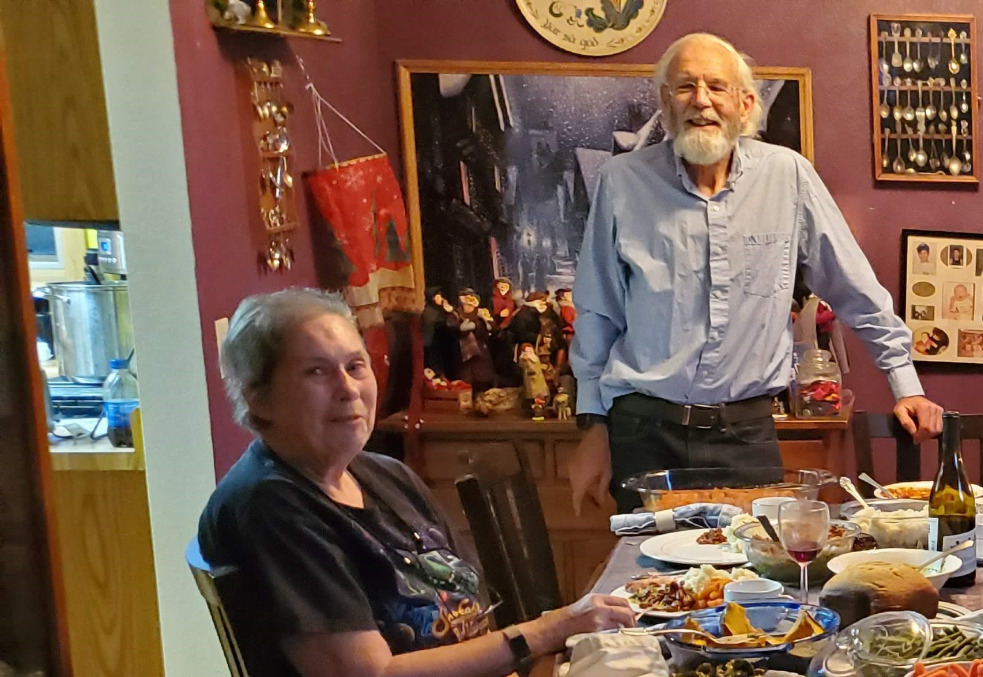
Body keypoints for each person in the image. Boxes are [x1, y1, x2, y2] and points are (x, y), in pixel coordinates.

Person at [569, 33, 942, 513]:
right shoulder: (621, 182)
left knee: (754, 561)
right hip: (642, 432)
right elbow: (598, 313)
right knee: (644, 562)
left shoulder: (788, 176)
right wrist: (593, 428)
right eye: (684, 86)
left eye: (716, 86)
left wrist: (905, 385)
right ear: (665, 101)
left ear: (745, 104)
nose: (700, 100)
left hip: (744, 434)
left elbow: (854, 288)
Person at [198, 289, 634, 677]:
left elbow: (477, 611)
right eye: (316, 372)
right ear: (258, 397)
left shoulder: (386, 475)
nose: (348, 389)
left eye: (355, 366)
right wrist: (546, 631)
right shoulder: (270, 506)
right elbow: (370, 673)